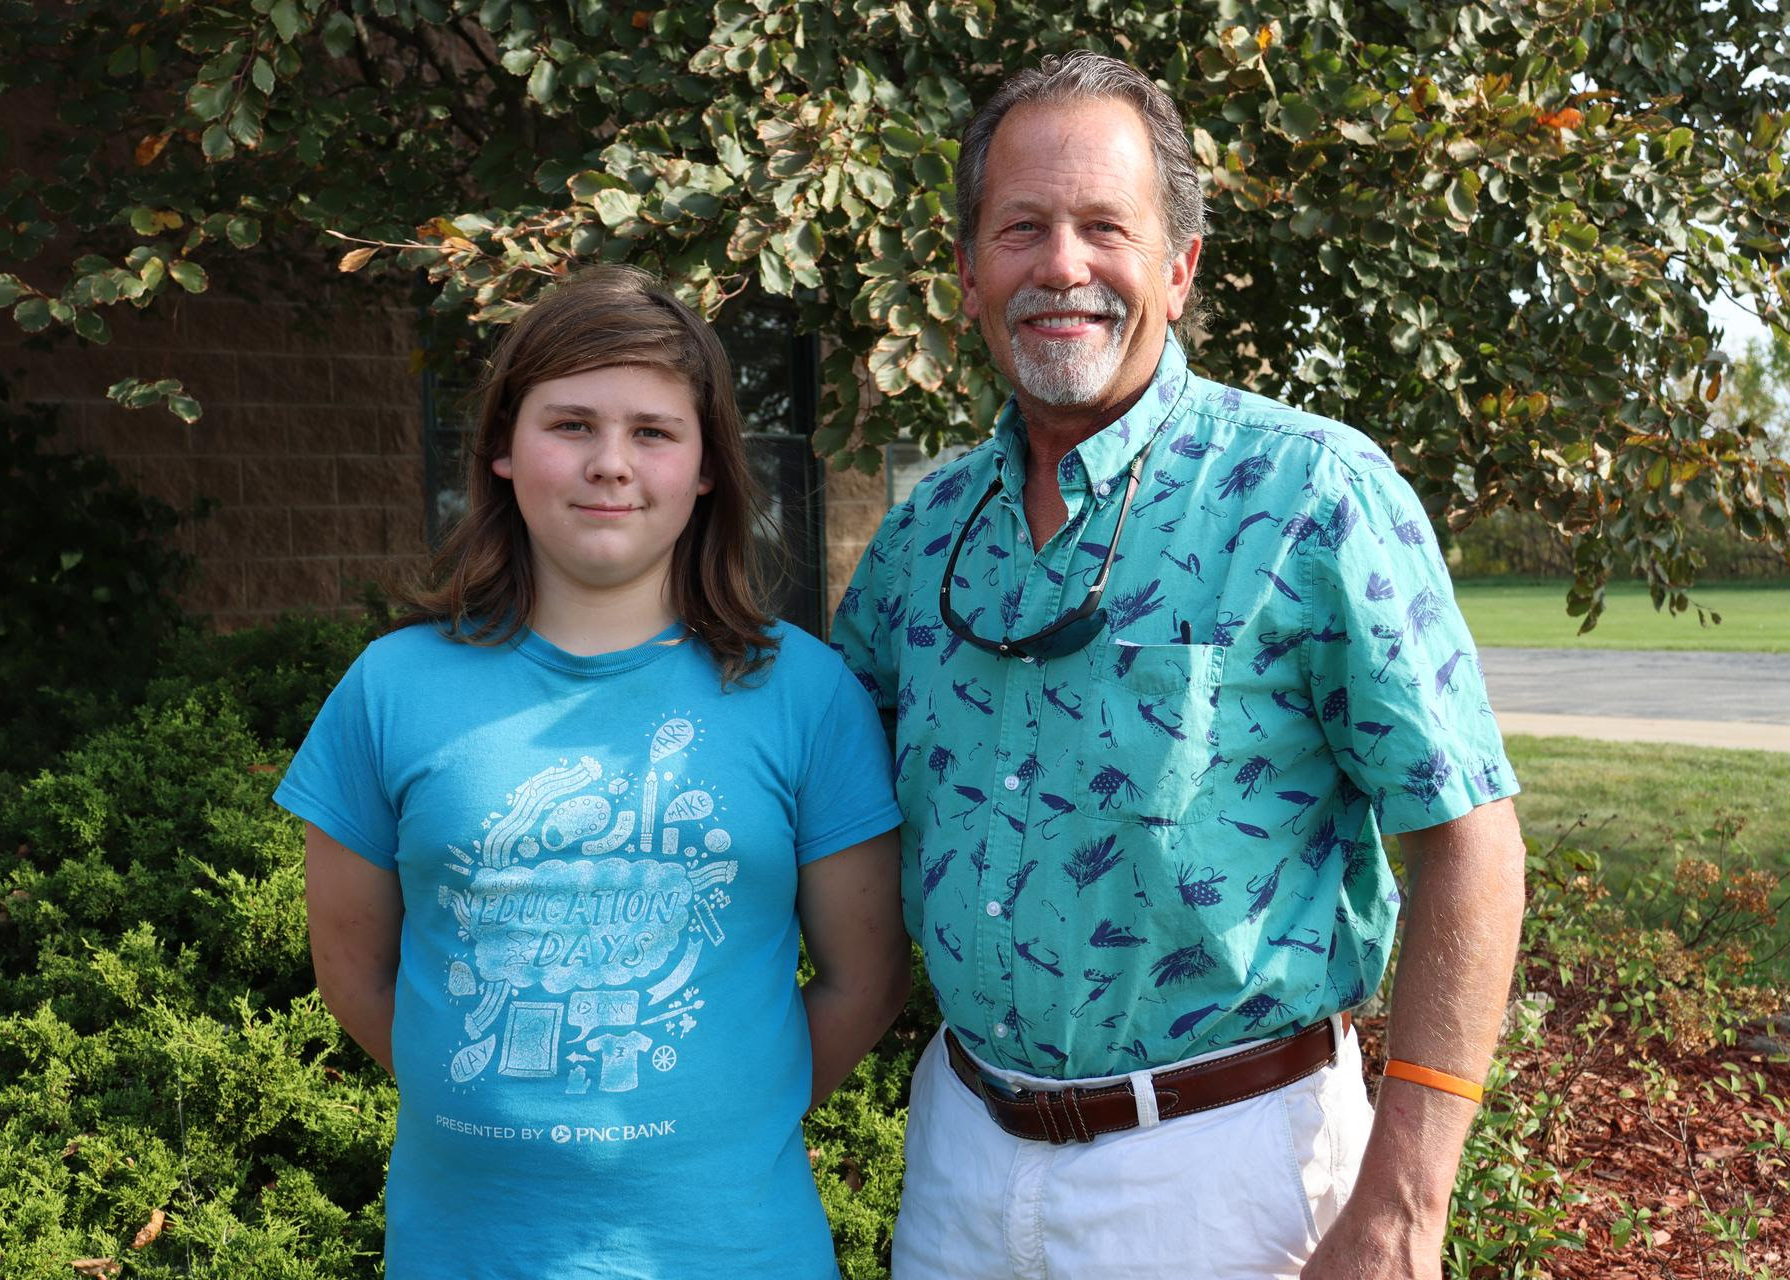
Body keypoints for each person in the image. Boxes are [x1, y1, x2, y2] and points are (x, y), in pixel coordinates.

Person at [830, 52, 1527, 1279]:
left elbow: (1471, 838)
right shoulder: (921, 536)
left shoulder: (1313, 495)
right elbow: (826, 805)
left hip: (1224, 1174)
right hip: (960, 1156)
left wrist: (1406, 1204)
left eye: (1107, 226)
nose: (1062, 266)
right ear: (966, 275)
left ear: (1179, 265)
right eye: (1021, 229)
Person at [277, 265, 908, 1279]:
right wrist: (483, 1097)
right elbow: (355, 970)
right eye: (569, 423)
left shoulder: (806, 693)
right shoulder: (390, 687)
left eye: (654, 431)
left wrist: (727, 1115)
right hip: (467, 1251)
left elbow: (866, 979)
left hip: (736, 1249)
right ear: (500, 450)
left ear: (707, 466)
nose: (610, 463)